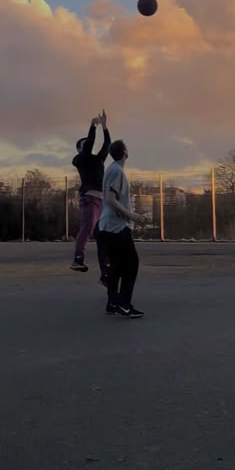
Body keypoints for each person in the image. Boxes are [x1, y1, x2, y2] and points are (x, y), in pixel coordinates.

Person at [98, 139, 145, 318]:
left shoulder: (110, 169)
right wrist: (131, 215)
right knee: (132, 263)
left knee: (117, 265)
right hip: (116, 226)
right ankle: (124, 303)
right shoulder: (117, 171)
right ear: (125, 153)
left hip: (107, 226)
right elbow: (110, 198)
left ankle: (112, 302)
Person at [71, 110, 111, 279]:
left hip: (101, 200)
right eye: (86, 144)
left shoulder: (98, 160)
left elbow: (107, 145)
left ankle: (106, 271)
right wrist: (92, 126)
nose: (89, 145)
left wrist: (105, 127)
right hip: (89, 199)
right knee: (87, 228)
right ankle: (77, 259)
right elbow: (89, 145)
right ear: (80, 148)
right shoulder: (80, 159)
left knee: (102, 235)